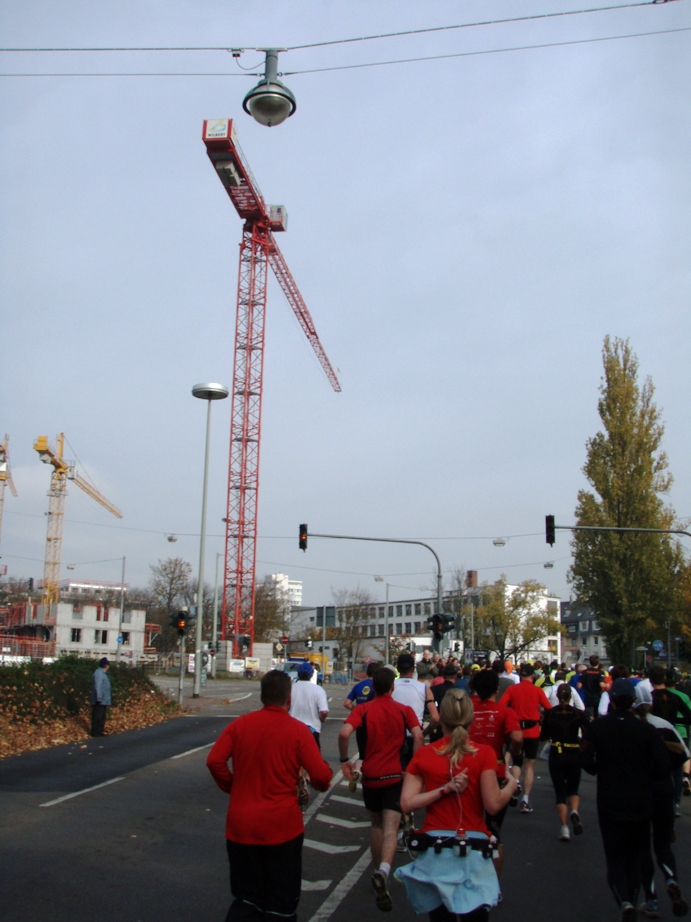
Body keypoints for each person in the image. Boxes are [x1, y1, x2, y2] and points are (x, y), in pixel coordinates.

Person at [207, 670, 332, 922]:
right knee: (280, 903)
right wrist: (323, 778)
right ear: (289, 699)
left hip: (242, 825)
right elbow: (320, 776)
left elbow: (214, 761)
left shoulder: (239, 725)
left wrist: (233, 786)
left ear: (262, 697)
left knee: (246, 898)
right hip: (282, 828)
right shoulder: (298, 732)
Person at [395, 689, 519, 922]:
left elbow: (406, 803)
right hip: (473, 850)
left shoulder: (424, 754)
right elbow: (492, 805)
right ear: (470, 718)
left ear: (441, 717)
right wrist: (512, 785)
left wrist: (443, 790)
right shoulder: (484, 753)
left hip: (436, 850)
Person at [580, 677, 671, 922]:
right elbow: (663, 766)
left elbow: (586, 759)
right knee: (637, 852)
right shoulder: (646, 730)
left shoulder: (598, 727)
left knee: (614, 854)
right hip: (640, 798)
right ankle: (633, 894)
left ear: (611, 699)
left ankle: (625, 901)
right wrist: (644, 775)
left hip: (610, 797)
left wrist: (600, 768)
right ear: (633, 700)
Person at [339, 666, 423, 912]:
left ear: (373, 687)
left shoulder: (363, 709)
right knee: (391, 828)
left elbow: (344, 732)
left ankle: (378, 871)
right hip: (395, 775)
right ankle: (384, 871)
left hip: (371, 776)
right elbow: (418, 736)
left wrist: (345, 759)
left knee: (375, 825)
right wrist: (414, 767)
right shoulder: (403, 709)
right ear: (393, 687)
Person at [633, 683, 689, 918]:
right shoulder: (664, 726)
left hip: (640, 791)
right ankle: (671, 878)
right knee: (664, 845)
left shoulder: (632, 728)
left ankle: (652, 900)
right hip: (663, 789)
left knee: (643, 847)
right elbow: (683, 754)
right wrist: (667, 769)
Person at [467, 667, 522, 873]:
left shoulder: (466, 708)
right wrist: (514, 752)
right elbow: (517, 737)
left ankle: (468, 877)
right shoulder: (504, 712)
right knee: (494, 833)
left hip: (467, 770)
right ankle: (494, 888)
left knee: (467, 828)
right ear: (496, 690)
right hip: (496, 773)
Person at [540, 682, 588, 842]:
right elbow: (588, 733)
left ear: (558, 696)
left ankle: (564, 827)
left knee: (560, 791)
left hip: (557, 751)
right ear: (571, 696)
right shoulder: (578, 714)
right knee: (573, 789)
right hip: (574, 751)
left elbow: (544, 735)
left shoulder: (551, 713)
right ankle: (574, 811)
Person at [501, 663, 552, 813]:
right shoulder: (537, 691)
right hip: (532, 731)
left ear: (521, 676)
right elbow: (548, 708)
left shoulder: (512, 689)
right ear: (533, 676)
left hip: (516, 730)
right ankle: (525, 799)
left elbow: (502, 705)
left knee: (517, 760)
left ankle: (515, 782)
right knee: (530, 764)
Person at [393, 652, 440, 763]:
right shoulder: (424, 688)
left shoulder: (390, 686)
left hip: (393, 737)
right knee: (413, 775)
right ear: (414, 668)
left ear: (397, 668)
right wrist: (423, 733)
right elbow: (436, 718)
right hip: (415, 737)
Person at [289, 661, 329, 749]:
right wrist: (322, 718)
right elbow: (324, 712)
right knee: (313, 760)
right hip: (312, 730)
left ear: (298, 674)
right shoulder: (318, 690)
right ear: (311, 675)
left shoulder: (290, 689)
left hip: (292, 730)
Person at [91, 657, 111, 737]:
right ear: (105, 665)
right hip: (99, 699)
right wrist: (99, 698)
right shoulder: (99, 673)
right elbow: (98, 686)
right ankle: (95, 731)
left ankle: (100, 730)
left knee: (102, 716)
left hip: (104, 699)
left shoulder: (103, 673)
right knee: (97, 716)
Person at [581, 654, 606, 720]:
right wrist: (608, 685)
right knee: (597, 716)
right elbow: (601, 684)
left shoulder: (584, 672)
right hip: (597, 697)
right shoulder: (601, 672)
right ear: (598, 663)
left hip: (588, 697)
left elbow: (579, 685)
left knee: (589, 716)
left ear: (589, 662)